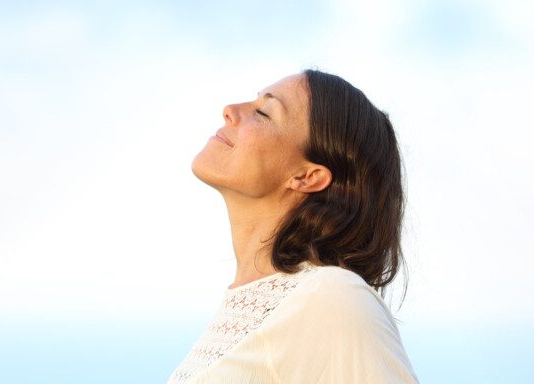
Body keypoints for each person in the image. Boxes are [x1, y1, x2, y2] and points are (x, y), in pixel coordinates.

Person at [167, 69, 419, 383]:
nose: (230, 110)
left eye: (262, 112)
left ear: (307, 176)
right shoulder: (255, 303)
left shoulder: (333, 296)